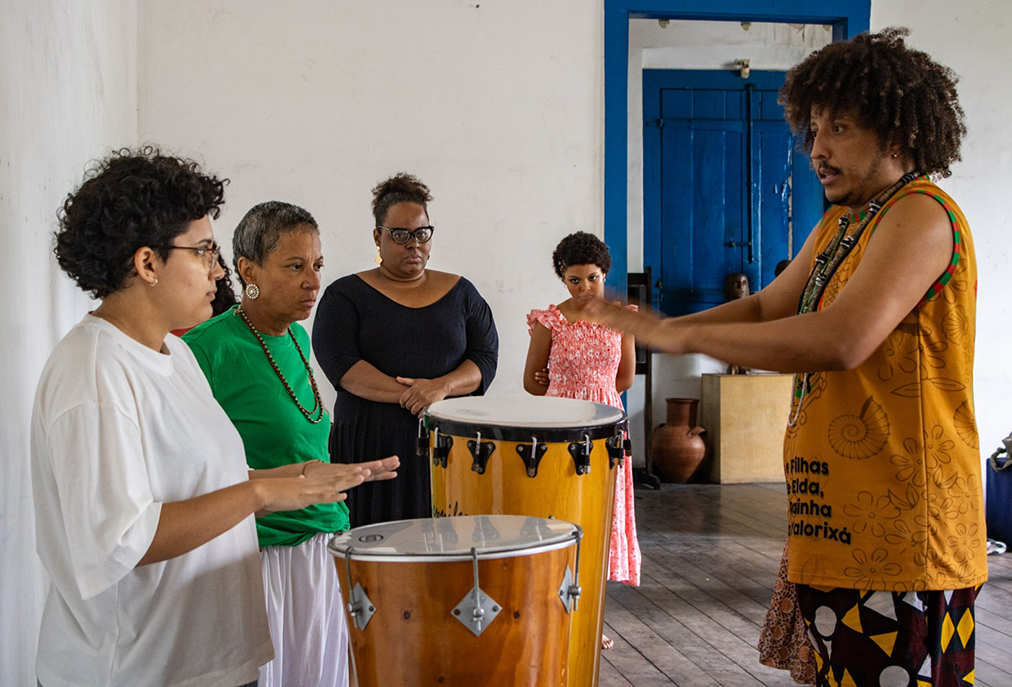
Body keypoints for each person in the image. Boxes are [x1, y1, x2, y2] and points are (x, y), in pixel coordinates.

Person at [591, 28, 985, 686]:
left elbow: (841, 337)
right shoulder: (845, 221)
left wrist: (682, 339)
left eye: (841, 128)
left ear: (895, 133)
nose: (818, 148)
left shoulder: (921, 215)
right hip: (835, 524)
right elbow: (769, 305)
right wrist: (660, 327)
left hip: (904, 536)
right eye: (814, 128)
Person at [31, 148, 371, 687]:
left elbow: (197, 485)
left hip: (206, 659)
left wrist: (292, 481)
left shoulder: (174, 354)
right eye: (204, 252)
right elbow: (121, 539)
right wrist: (261, 496)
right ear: (147, 264)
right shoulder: (94, 373)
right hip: (140, 670)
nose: (218, 270)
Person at [183, 201, 399, 687]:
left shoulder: (299, 339)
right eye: (295, 266)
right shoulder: (205, 349)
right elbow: (188, 474)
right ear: (248, 270)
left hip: (324, 549)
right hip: (261, 559)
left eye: (317, 265)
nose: (313, 281)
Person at [313, 173, 499, 526]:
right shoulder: (345, 295)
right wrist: (414, 395)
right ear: (377, 236)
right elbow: (342, 366)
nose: (413, 244)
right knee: (373, 557)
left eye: (421, 234)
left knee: (443, 554)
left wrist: (441, 387)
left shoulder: (462, 292)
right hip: (370, 445)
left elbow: (485, 358)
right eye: (400, 235)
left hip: (447, 444)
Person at [523, 231, 641, 651]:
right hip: (559, 426)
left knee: (598, 519)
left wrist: (596, 393)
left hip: (606, 425)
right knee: (560, 512)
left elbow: (624, 379)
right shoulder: (549, 320)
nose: (584, 288)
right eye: (574, 280)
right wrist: (561, 386)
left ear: (604, 274)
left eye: (592, 278)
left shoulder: (621, 318)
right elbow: (532, 381)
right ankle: (552, 611)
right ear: (562, 278)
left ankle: (590, 618)